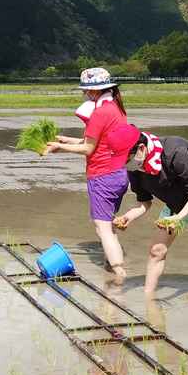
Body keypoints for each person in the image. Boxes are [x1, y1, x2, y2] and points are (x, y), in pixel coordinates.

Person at [44, 68, 139, 283]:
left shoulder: (99, 113)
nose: (85, 95)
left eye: (87, 91)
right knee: (107, 224)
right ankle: (110, 264)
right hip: (119, 175)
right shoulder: (116, 109)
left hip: (102, 177)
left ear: (94, 91)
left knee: (102, 228)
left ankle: (119, 275)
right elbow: (95, 143)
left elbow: (88, 149)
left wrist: (58, 146)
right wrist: (63, 141)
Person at [113, 131, 188, 307]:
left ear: (141, 149)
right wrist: (128, 216)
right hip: (175, 201)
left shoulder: (175, 152)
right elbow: (144, 202)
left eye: (126, 160)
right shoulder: (134, 169)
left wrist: (178, 218)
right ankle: (148, 299)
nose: (125, 165)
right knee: (156, 250)